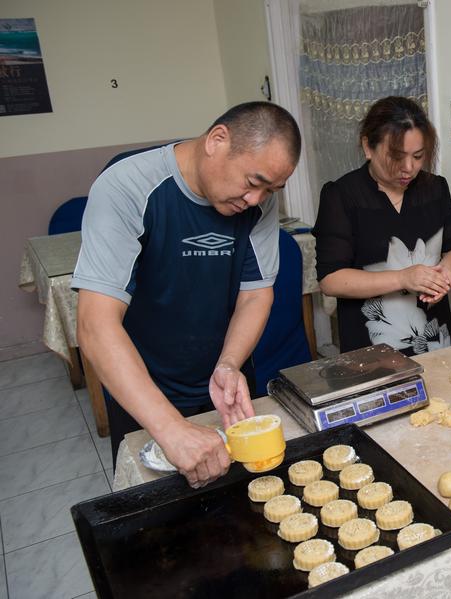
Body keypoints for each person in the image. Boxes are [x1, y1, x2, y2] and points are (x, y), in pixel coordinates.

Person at [72, 102, 301, 489]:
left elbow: (255, 295)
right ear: (217, 140)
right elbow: (94, 324)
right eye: (253, 181)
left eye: (271, 190)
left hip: (223, 376)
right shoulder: (126, 186)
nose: (255, 200)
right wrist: (170, 429)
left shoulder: (257, 203)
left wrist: (229, 364)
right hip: (145, 385)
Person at [313, 96, 451, 356]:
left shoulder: (434, 188)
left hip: (433, 341)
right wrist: (403, 277)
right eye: (396, 157)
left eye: (418, 156)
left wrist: (445, 271)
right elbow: (331, 280)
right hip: (370, 347)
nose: (408, 168)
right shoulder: (341, 196)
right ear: (368, 146)